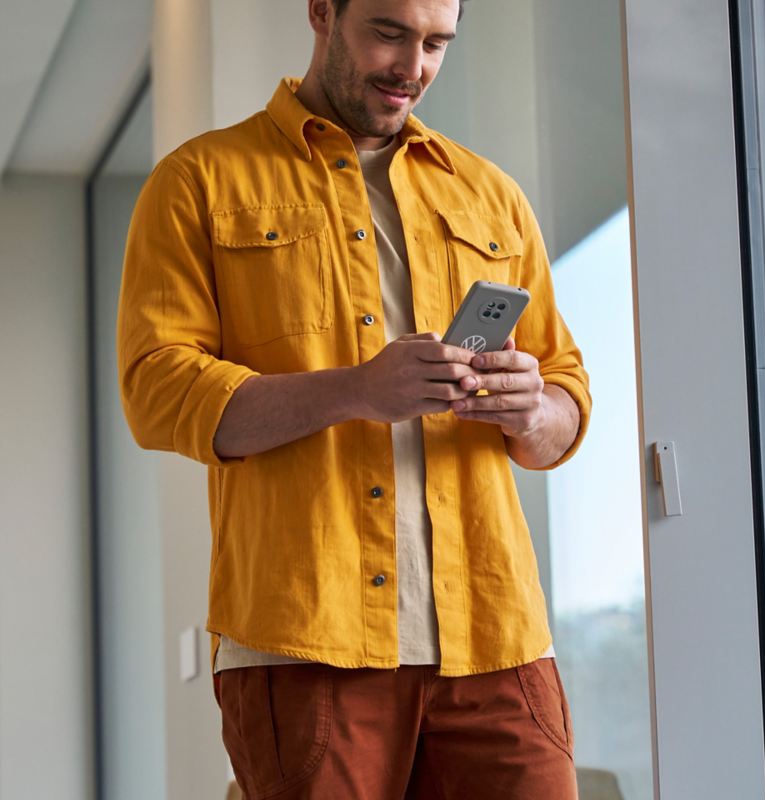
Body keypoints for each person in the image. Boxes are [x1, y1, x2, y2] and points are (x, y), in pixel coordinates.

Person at [117, 0, 591, 797]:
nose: (414, 67)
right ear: (322, 12)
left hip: (497, 639)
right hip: (306, 645)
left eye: (437, 43)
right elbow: (156, 389)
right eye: (389, 33)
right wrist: (357, 390)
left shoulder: (493, 195)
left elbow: (565, 397)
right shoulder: (198, 180)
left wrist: (530, 408)